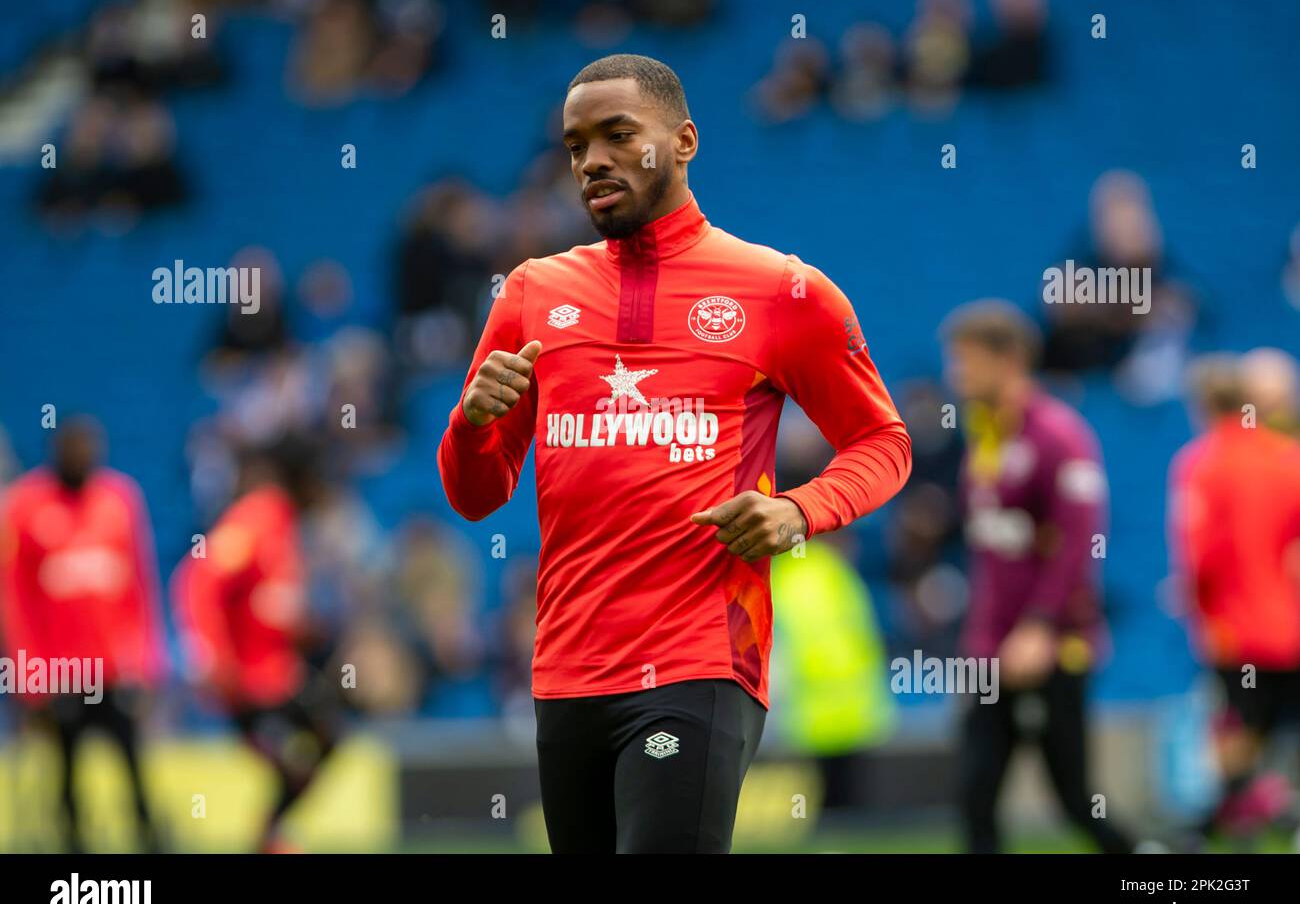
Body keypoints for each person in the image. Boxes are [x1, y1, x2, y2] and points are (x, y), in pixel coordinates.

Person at [437, 54, 912, 853]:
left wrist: (799, 510)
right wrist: (471, 423)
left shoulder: (782, 292)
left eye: (619, 134)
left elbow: (882, 441)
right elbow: (478, 495)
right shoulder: (531, 294)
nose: (592, 160)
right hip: (567, 669)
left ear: (684, 140)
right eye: (576, 144)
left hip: (700, 661)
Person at [941, 300, 1134, 853]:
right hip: (991, 648)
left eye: (968, 361)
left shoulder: (1059, 436)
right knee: (974, 796)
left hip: (1051, 646)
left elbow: (1079, 543)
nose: (957, 374)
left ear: (1011, 360)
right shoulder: (984, 436)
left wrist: (1041, 626)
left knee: (1074, 799)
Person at [0, 417, 165, 852]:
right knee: (66, 765)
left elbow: (140, 587)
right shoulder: (24, 506)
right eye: (74, 446)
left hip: (113, 668)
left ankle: (149, 838)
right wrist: (28, 671)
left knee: (131, 760)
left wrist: (146, 662)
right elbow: (14, 600)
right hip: (60, 670)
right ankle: (73, 851)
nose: (83, 455)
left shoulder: (120, 500)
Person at [171, 434, 338, 853]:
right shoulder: (258, 517)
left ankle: (269, 835)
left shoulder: (284, 523)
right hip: (246, 682)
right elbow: (198, 580)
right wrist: (207, 654)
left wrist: (298, 628)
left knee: (324, 740)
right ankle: (269, 838)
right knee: (293, 757)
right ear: (302, 480)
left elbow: (266, 602)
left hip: (278, 675)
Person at [1169, 355, 1300, 842]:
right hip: (1290, 623)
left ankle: (1224, 824)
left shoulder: (1203, 464)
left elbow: (1201, 554)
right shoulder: (1287, 457)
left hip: (1237, 627)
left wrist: (1195, 606)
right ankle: (1256, 813)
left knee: (1236, 729)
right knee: (1263, 727)